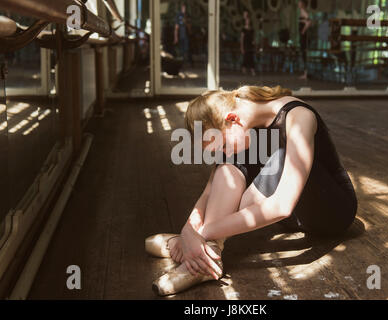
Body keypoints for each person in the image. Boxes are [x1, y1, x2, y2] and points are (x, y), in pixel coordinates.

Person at [147, 86, 358, 295]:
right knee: (233, 159)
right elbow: (210, 190)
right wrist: (188, 230)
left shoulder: (298, 117)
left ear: (232, 119)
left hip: (332, 212)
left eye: (220, 146)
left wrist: (202, 234)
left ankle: (204, 255)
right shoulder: (242, 121)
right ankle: (208, 255)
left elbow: (282, 206)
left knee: (281, 156)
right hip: (295, 216)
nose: (221, 153)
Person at [173, 2, 193, 67]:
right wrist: (175, 37)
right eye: (183, 7)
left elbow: (190, 28)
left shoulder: (188, 15)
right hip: (180, 35)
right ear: (181, 8)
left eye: (185, 8)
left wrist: (186, 22)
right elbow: (176, 27)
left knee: (187, 50)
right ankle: (181, 63)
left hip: (187, 36)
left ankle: (188, 62)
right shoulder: (178, 15)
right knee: (181, 50)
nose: (184, 9)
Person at [298, 0, 312, 80]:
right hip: (302, 35)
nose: (298, 4)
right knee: (303, 53)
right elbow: (305, 21)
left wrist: (303, 30)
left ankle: (306, 73)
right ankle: (305, 73)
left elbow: (309, 22)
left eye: (300, 3)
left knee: (304, 53)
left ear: (303, 4)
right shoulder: (301, 12)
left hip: (304, 36)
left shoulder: (303, 11)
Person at [240, 10, 256, 76]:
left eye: (248, 20)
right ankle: (244, 71)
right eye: (246, 21)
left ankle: (252, 71)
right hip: (245, 45)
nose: (247, 21)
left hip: (250, 45)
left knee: (251, 58)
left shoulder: (252, 29)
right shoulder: (243, 29)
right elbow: (242, 38)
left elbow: (253, 37)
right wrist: (241, 47)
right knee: (245, 58)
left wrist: (254, 42)